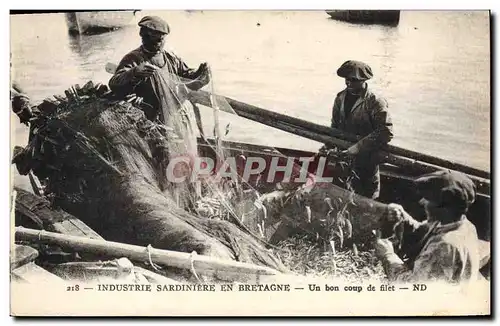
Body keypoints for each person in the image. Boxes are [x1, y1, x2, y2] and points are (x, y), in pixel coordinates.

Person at [374, 170, 480, 283]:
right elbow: (426, 230)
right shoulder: (462, 225)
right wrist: (404, 218)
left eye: (428, 199)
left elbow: (413, 287)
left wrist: (387, 255)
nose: (422, 202)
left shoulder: (444, 246)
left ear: (444, 207)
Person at [108, 15, 210, 122]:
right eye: (156, 40)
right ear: (144, 37)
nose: (160, 44)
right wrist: (135, 72)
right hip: (145, 117)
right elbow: (114, 83)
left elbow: (187, 77)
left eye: (162, 39)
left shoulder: (171, 58)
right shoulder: (133, 58)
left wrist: (200, 73)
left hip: (171, 114)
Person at [320, 60, 393, 199]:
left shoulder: (375, 101)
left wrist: (357, 148)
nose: (348, 83)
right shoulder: (340, 98)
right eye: (347, 79)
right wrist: (327, 145)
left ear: (364, 80)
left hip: (366, 161)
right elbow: (335, 126)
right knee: (340, 200)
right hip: (343, 159)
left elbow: (385, 132)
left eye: (353, 80)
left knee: (366, 199)